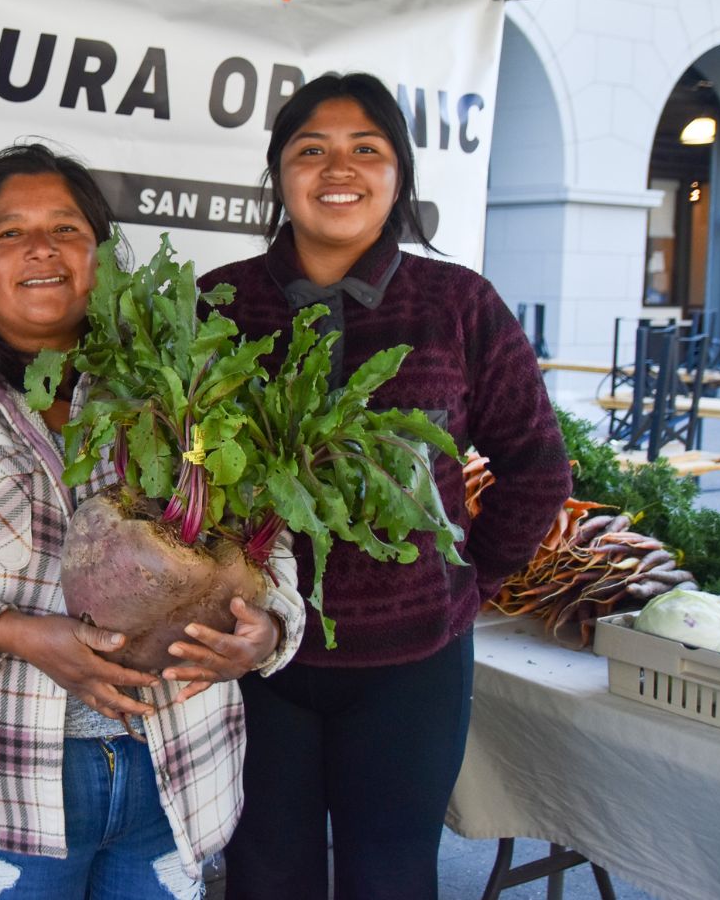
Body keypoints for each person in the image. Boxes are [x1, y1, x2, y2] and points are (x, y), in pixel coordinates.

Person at [0, 143, 307, 899]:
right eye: (10, 232)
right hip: (6, 784)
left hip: (175, 766)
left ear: (100, 257)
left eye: (66, 229)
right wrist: (20, 635)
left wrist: (269, 632)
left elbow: (272, 542)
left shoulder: (179, 378)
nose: (41, 248)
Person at [200, 73, 571, 900]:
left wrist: (468, 585)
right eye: (312, 150)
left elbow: (538, 466)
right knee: (265, 875)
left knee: (392, 876)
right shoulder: (219, 302)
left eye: (366, 149)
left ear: (398, 173)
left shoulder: (458, 303)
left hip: (413, 666)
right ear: (279, 173)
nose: (340, 168)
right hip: (257, 658)